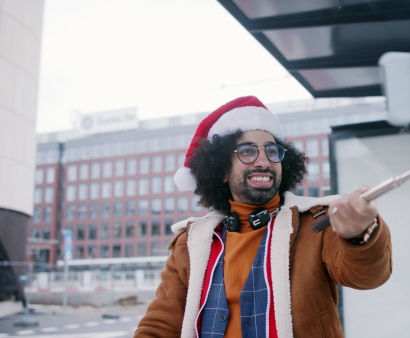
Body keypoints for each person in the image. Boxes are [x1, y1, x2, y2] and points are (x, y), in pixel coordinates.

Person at [134, 96, 392, 338]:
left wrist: (359, 233)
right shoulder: (189, 243)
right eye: (247, 151)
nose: (264, 161)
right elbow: (161, 324)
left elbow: (368, 277)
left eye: (272, 151)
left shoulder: (318, 221)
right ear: (222, 170)